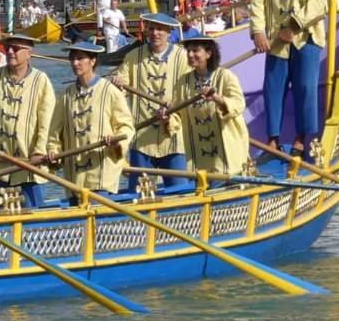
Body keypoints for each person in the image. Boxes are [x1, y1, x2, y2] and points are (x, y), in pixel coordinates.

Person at [250, 0, 329, 157]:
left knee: (305, 87)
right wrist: (258, 32)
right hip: (275, 40)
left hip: (307, 39)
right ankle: (273, 140)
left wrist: (294, 26)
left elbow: (318, 2)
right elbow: (258, 1)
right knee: (273, 87)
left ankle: (301, 139)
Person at [112, 13, 190, 192]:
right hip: (141, 139)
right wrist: (118, 85)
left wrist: (171, 112)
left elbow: (188, 92)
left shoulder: (182, 57)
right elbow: (119, 92)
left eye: (160, 29)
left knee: (180, 194)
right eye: (152, 28)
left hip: (173, 138)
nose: (155, 33)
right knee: (137, 194)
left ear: (169, 32)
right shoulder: (133, 57)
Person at [47, 41, 133, 195]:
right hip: (74, 178)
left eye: (80, 58)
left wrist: (116, 141)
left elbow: (127, 126)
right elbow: (54, 133)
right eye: (72, 59)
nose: (75, 63)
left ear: (92, 61)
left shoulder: (110, 91)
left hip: (102, 173)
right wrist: (53, 152)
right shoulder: (65, 96)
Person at [0, 34, 56, 208]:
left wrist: (39, 151)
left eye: (15, 49)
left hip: (29, 166)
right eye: (7, 49)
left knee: (33, 221)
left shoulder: (41, 81)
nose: (9, 52)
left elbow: (47, 121)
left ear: (29, 53)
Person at [167, 36, 249, 178]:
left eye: (195, 50)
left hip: (227, 157)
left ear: (209, 53)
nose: (190, 55)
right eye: (189, 51)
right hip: (198, 159)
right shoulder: (183, 82)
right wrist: (166, 118)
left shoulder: (226, 76)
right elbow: (177, 113)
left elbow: (239, 104)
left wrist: (218, 99)